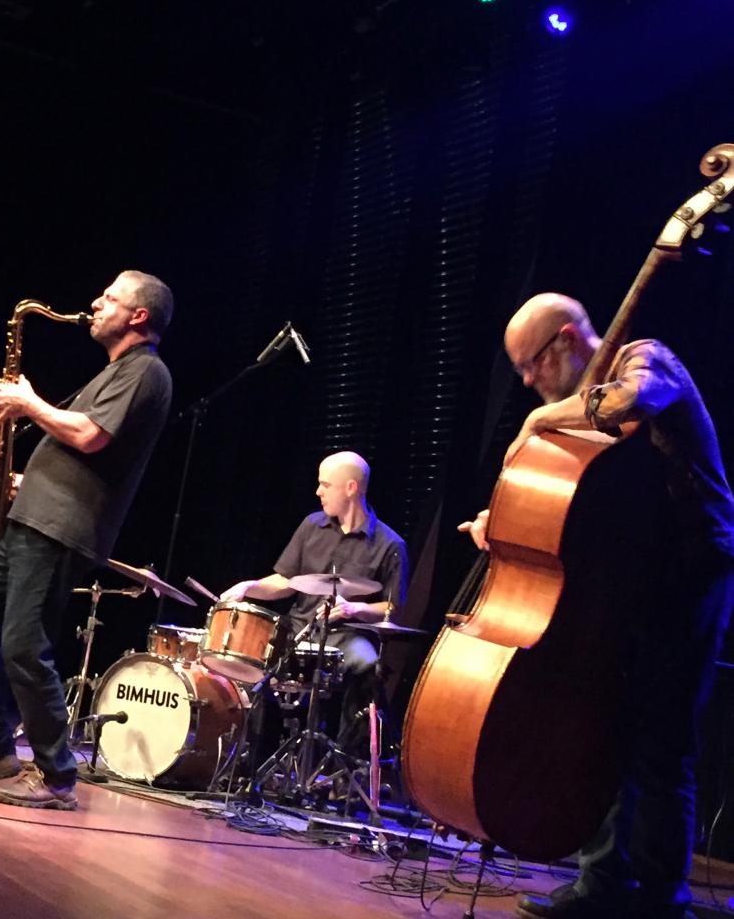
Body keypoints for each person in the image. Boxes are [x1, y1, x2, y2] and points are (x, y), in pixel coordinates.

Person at [458, 293, 734, 919]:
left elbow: (634, 402)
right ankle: (604, 885)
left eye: (530, 365)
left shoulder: (645, 358)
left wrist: (539, 421)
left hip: (692, 572)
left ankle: (663, 900)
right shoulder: (578, 418)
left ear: (564, 340)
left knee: (662, 739)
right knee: (609, 728)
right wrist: (506, 523)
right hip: (630, 581)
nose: (528, 383)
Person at [0, 271, 174, 810]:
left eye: (109, 297)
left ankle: (58, 775)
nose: (95, 303)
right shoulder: (113, 372)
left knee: (23, 643)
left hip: (62, 527)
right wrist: (25, 480)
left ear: (138, 316)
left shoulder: (146, 372)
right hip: (33, 519)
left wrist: (29, 404)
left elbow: (90, 435)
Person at [221, 451, 408, 767]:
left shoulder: (390, 545)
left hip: (347, 635)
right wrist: (248, 587)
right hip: (300, 627)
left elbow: (392, 607)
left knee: (367, 666)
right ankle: (252, 765)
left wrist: (355, 609)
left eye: (325, 485)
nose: (318, 492)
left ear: (351, 488)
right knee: (256, 657)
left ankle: (345, 767)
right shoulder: (311, 526)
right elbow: (285, 580)